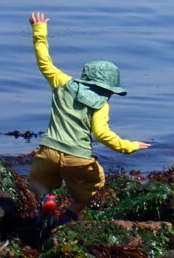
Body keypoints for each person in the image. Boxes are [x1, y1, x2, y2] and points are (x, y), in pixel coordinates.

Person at [27, 12, 151, 226]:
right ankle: (67, 218)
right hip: (79, 158)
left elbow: (44, 61)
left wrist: (39, 30)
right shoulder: (101, 105)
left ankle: (47, 200)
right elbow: (102, 134)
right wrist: (129, 146)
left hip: (49, 151)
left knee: (36, 180)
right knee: (93, 188)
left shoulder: (62, 83)